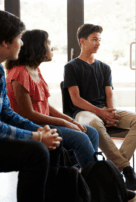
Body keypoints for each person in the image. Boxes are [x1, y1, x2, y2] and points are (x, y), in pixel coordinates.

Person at [63, 23, 136, 191]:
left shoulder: (104, 67)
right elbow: (76, 99)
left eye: (99, 39)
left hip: (104, 110)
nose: (98, 43)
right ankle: (126, 169)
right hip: (84, 112)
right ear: (82, 41)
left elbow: (109, 94)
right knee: (94, 124)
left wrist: (111, 113)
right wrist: (100, 113)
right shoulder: (71, 67)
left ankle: (113, 169)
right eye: (94, 39)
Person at [5, 29, 99, 169]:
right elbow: (28, 114)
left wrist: (71, 121)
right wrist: (65, 123)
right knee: (81, 138)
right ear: (37, 47)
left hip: (45, 123)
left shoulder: (35, 70)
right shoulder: (20, 73)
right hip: (33, 127)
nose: (52, 47)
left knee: (91, 132)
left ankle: (78, 175)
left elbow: (46, 107)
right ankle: (97, 182)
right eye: (48, 43)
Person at [0, 11, 62, 202]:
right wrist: (36, 137)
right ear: (5, 42)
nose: (22, 43)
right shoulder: (17, 72)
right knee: (38, 151)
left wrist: (40, 131)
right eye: (19, 38)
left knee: (54, 141)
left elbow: (7, 113)